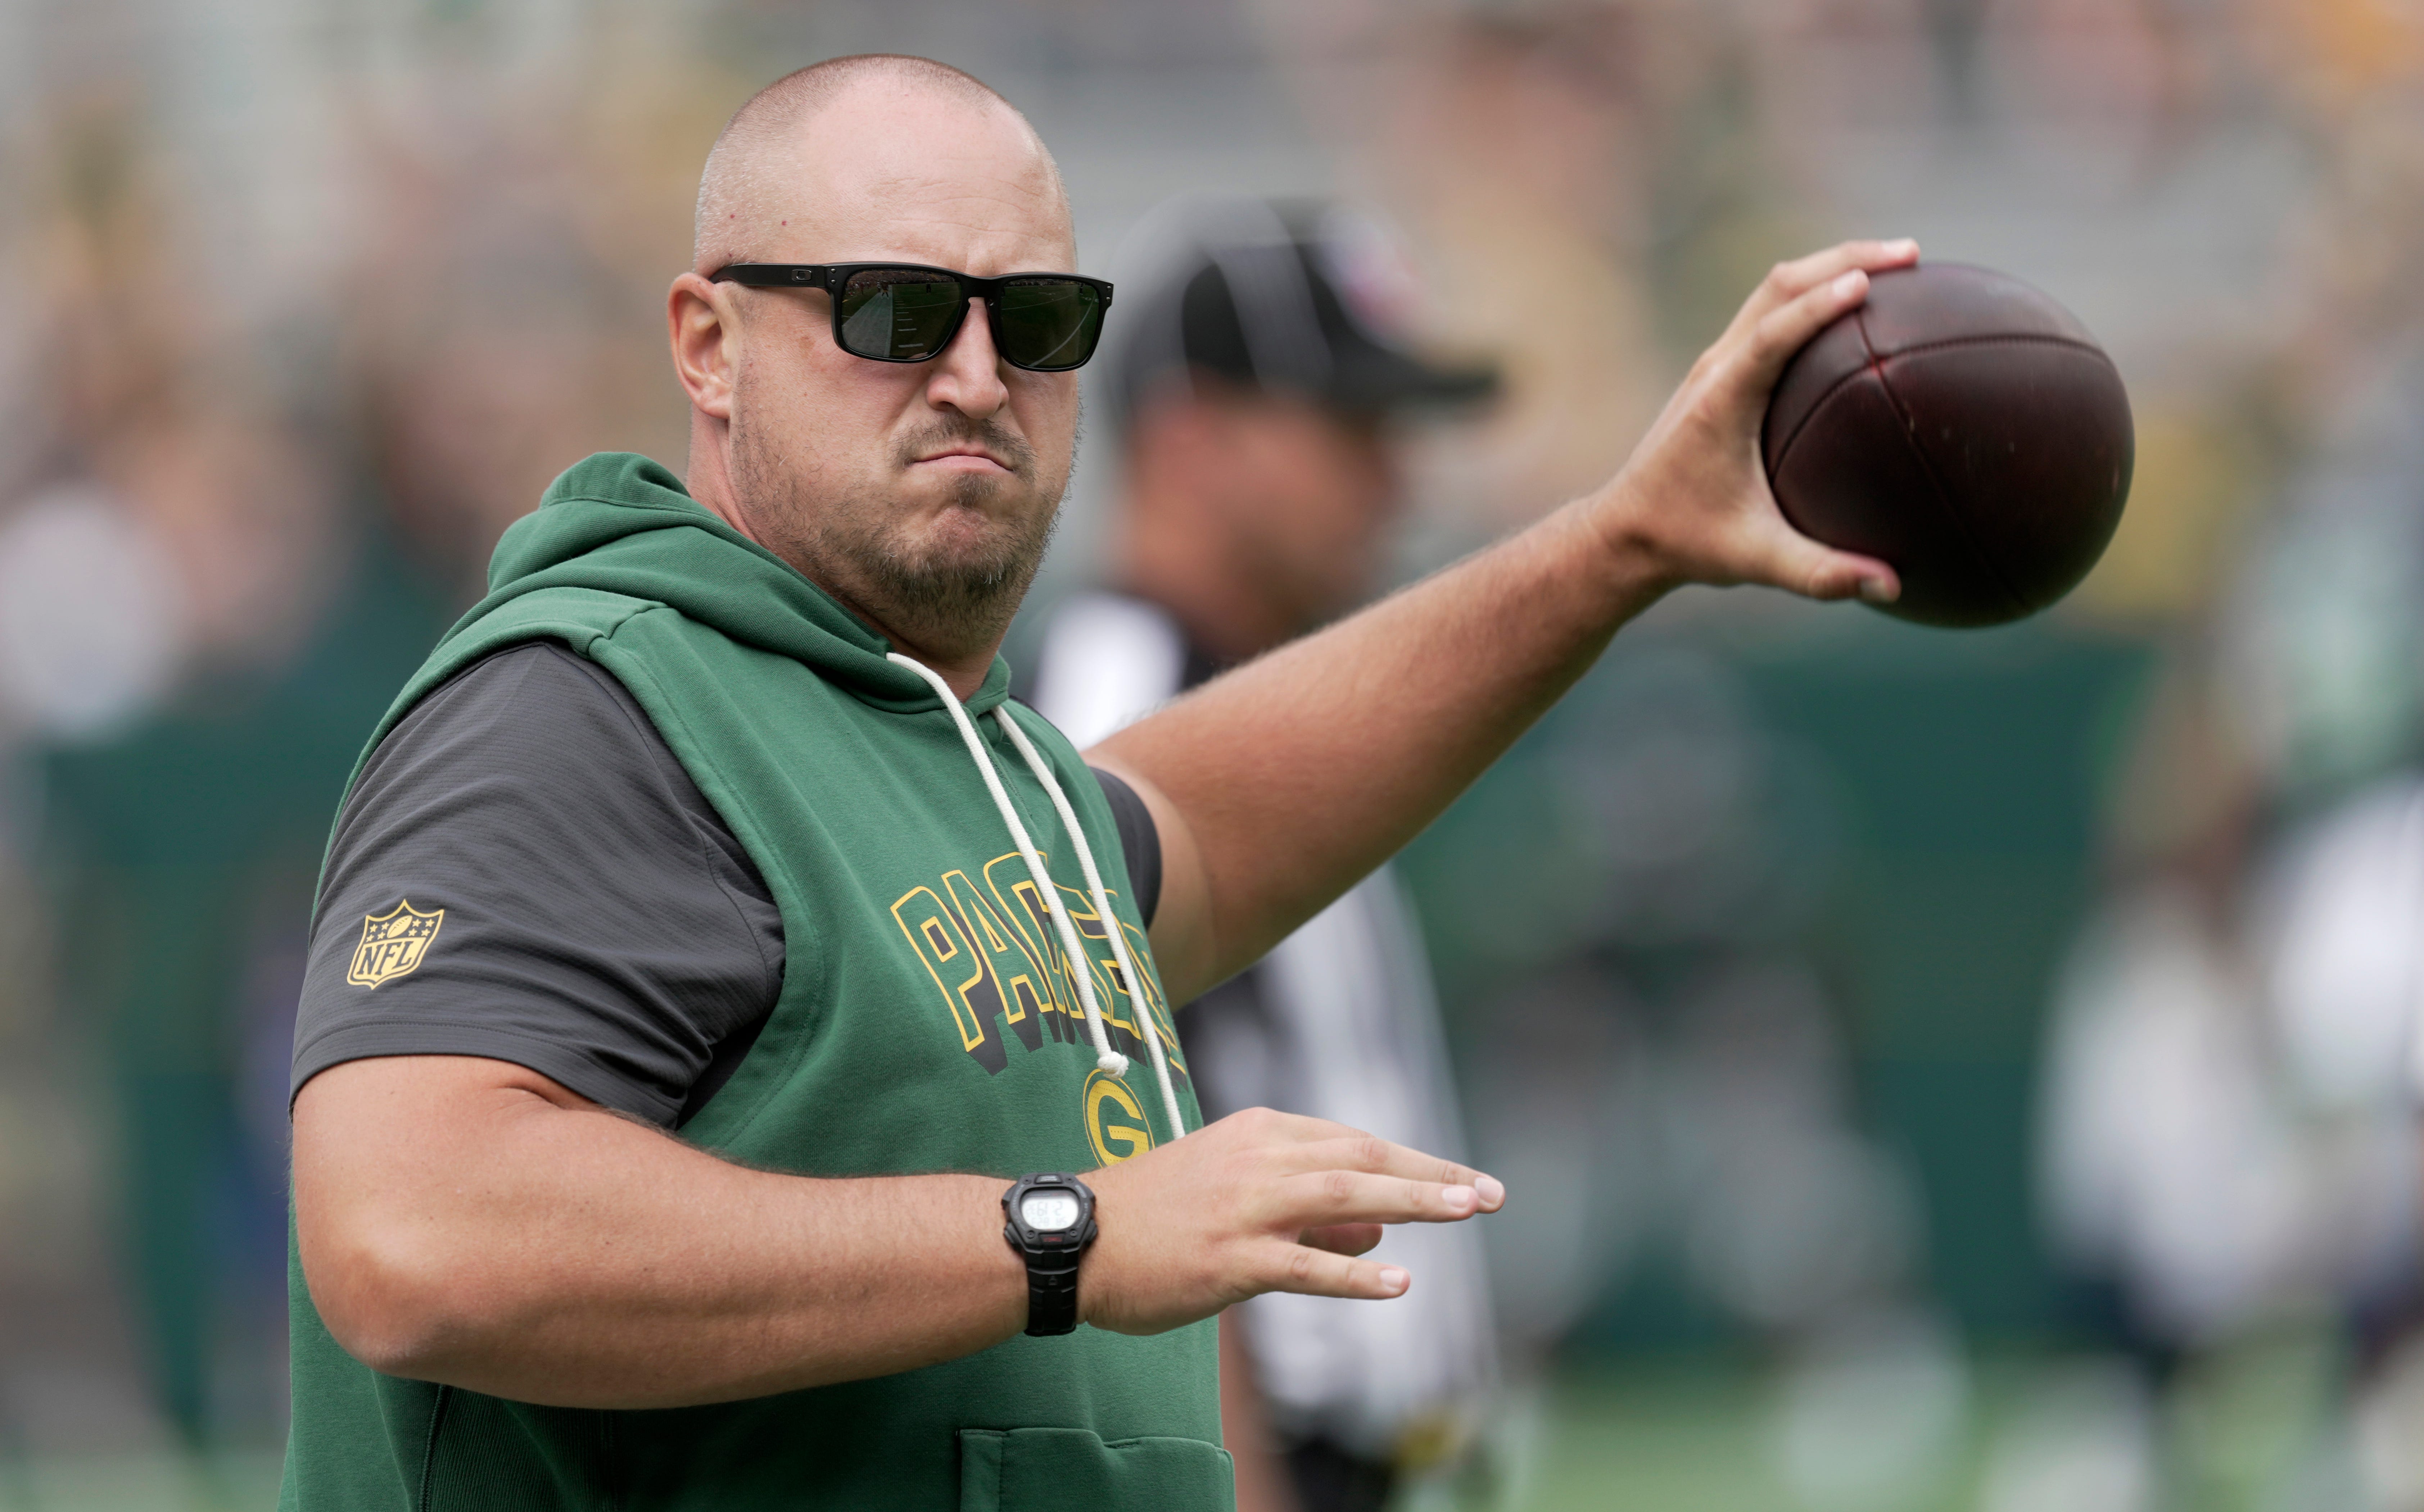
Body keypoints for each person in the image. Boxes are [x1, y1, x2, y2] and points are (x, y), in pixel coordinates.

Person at [282, 51, 1912, 1512]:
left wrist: (1621, 547)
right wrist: (1068, 1234)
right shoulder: (588, 700)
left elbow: (1205, 818)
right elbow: (417, 1232)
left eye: (1038, 322)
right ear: (709, 345)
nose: (978, 375)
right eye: (893, 311)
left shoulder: (951, 744)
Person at [1027, 196, 1499, 1512]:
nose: (1398, 480)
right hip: (1257, 1460)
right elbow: (1107, 1131)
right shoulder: (1121, 698)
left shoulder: (1272, 685)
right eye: (1353, 431)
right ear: (1192, 437)